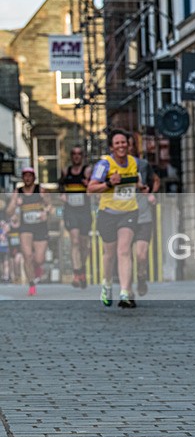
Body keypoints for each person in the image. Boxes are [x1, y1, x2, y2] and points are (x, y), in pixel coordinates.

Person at [87, 129, 143, 308]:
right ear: (112, 147)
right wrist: (109, 183)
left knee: (124, 251)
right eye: (117, 143)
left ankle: (125, 292)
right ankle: (107, 284)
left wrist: (142, 187)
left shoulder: (134, 162)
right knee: (110, 254)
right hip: (108, 213)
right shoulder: (105, 164)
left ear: (128, 144)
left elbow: (137, 182)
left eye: (124, 142)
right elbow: (91, 188)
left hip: (129, 212)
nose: (121, 146)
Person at [5, 167, 51, 296]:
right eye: (25, 176)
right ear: (22, 178)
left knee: (39, 259)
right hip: (25, 228)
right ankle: (31, 284)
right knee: (27, 256)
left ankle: (36, 268)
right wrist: (15, 204)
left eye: (30, 176)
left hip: (40, 227)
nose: (27, 178)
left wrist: (45, 212)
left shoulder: (40, 190)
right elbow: (8, 212)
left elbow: (50, 206)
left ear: (34, 177)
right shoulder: (18, 192)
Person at [58, 146, 92, 288]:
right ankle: (77, 274)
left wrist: (88, 185)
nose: (76, 156)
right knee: (75, 241)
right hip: (71, 210)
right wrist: (62, 195)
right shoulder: (66, 171)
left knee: (84, 245)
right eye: (74, 154)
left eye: (79, 154)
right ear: (71, 156)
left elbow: (96, 186)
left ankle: (82, 269)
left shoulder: (88, 171)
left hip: (84, 210)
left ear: (83, 156)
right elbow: (60, 186)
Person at [133, 144, 160, 297]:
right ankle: (126, 287)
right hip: (122, 214)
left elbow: (156, 180)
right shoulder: (112, 166)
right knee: (124, 254)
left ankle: (141, 278)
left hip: (143, 214)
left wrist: (152, 194)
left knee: (141, 255)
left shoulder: (143, 165)